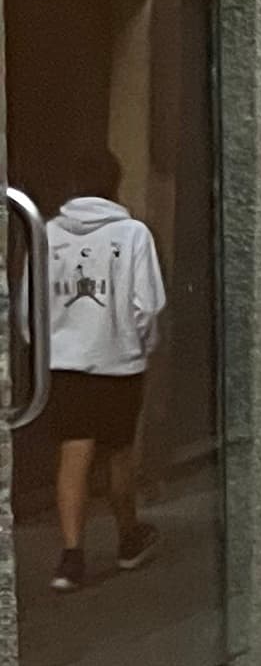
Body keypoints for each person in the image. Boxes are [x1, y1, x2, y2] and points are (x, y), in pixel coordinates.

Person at [45, 156, 165, 592]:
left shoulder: (48, 233)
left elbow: (27, 306)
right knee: (118, 451)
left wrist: (49, 345)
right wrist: (139, 346)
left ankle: (71, 555)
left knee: (73, 452)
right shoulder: (132, 234)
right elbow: (147, 305)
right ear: (116, 184)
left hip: (66, 362)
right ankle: (128, 537)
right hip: (119, 361)